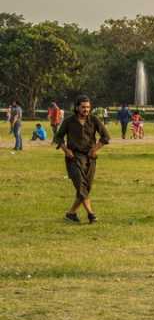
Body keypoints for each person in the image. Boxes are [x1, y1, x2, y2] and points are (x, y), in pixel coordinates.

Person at [54, 95, 110, 224]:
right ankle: (91, 214)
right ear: (77, 107)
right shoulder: (69, 121)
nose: (86, 109)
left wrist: (94, 149)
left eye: (88, 107)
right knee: (81, 185)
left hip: (90, 158)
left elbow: (106, 137)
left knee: (86, 187)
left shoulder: (94, 120)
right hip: (74, 158)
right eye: (83, 107)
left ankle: (71, 213)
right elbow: (58, 137)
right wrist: (66, 150)